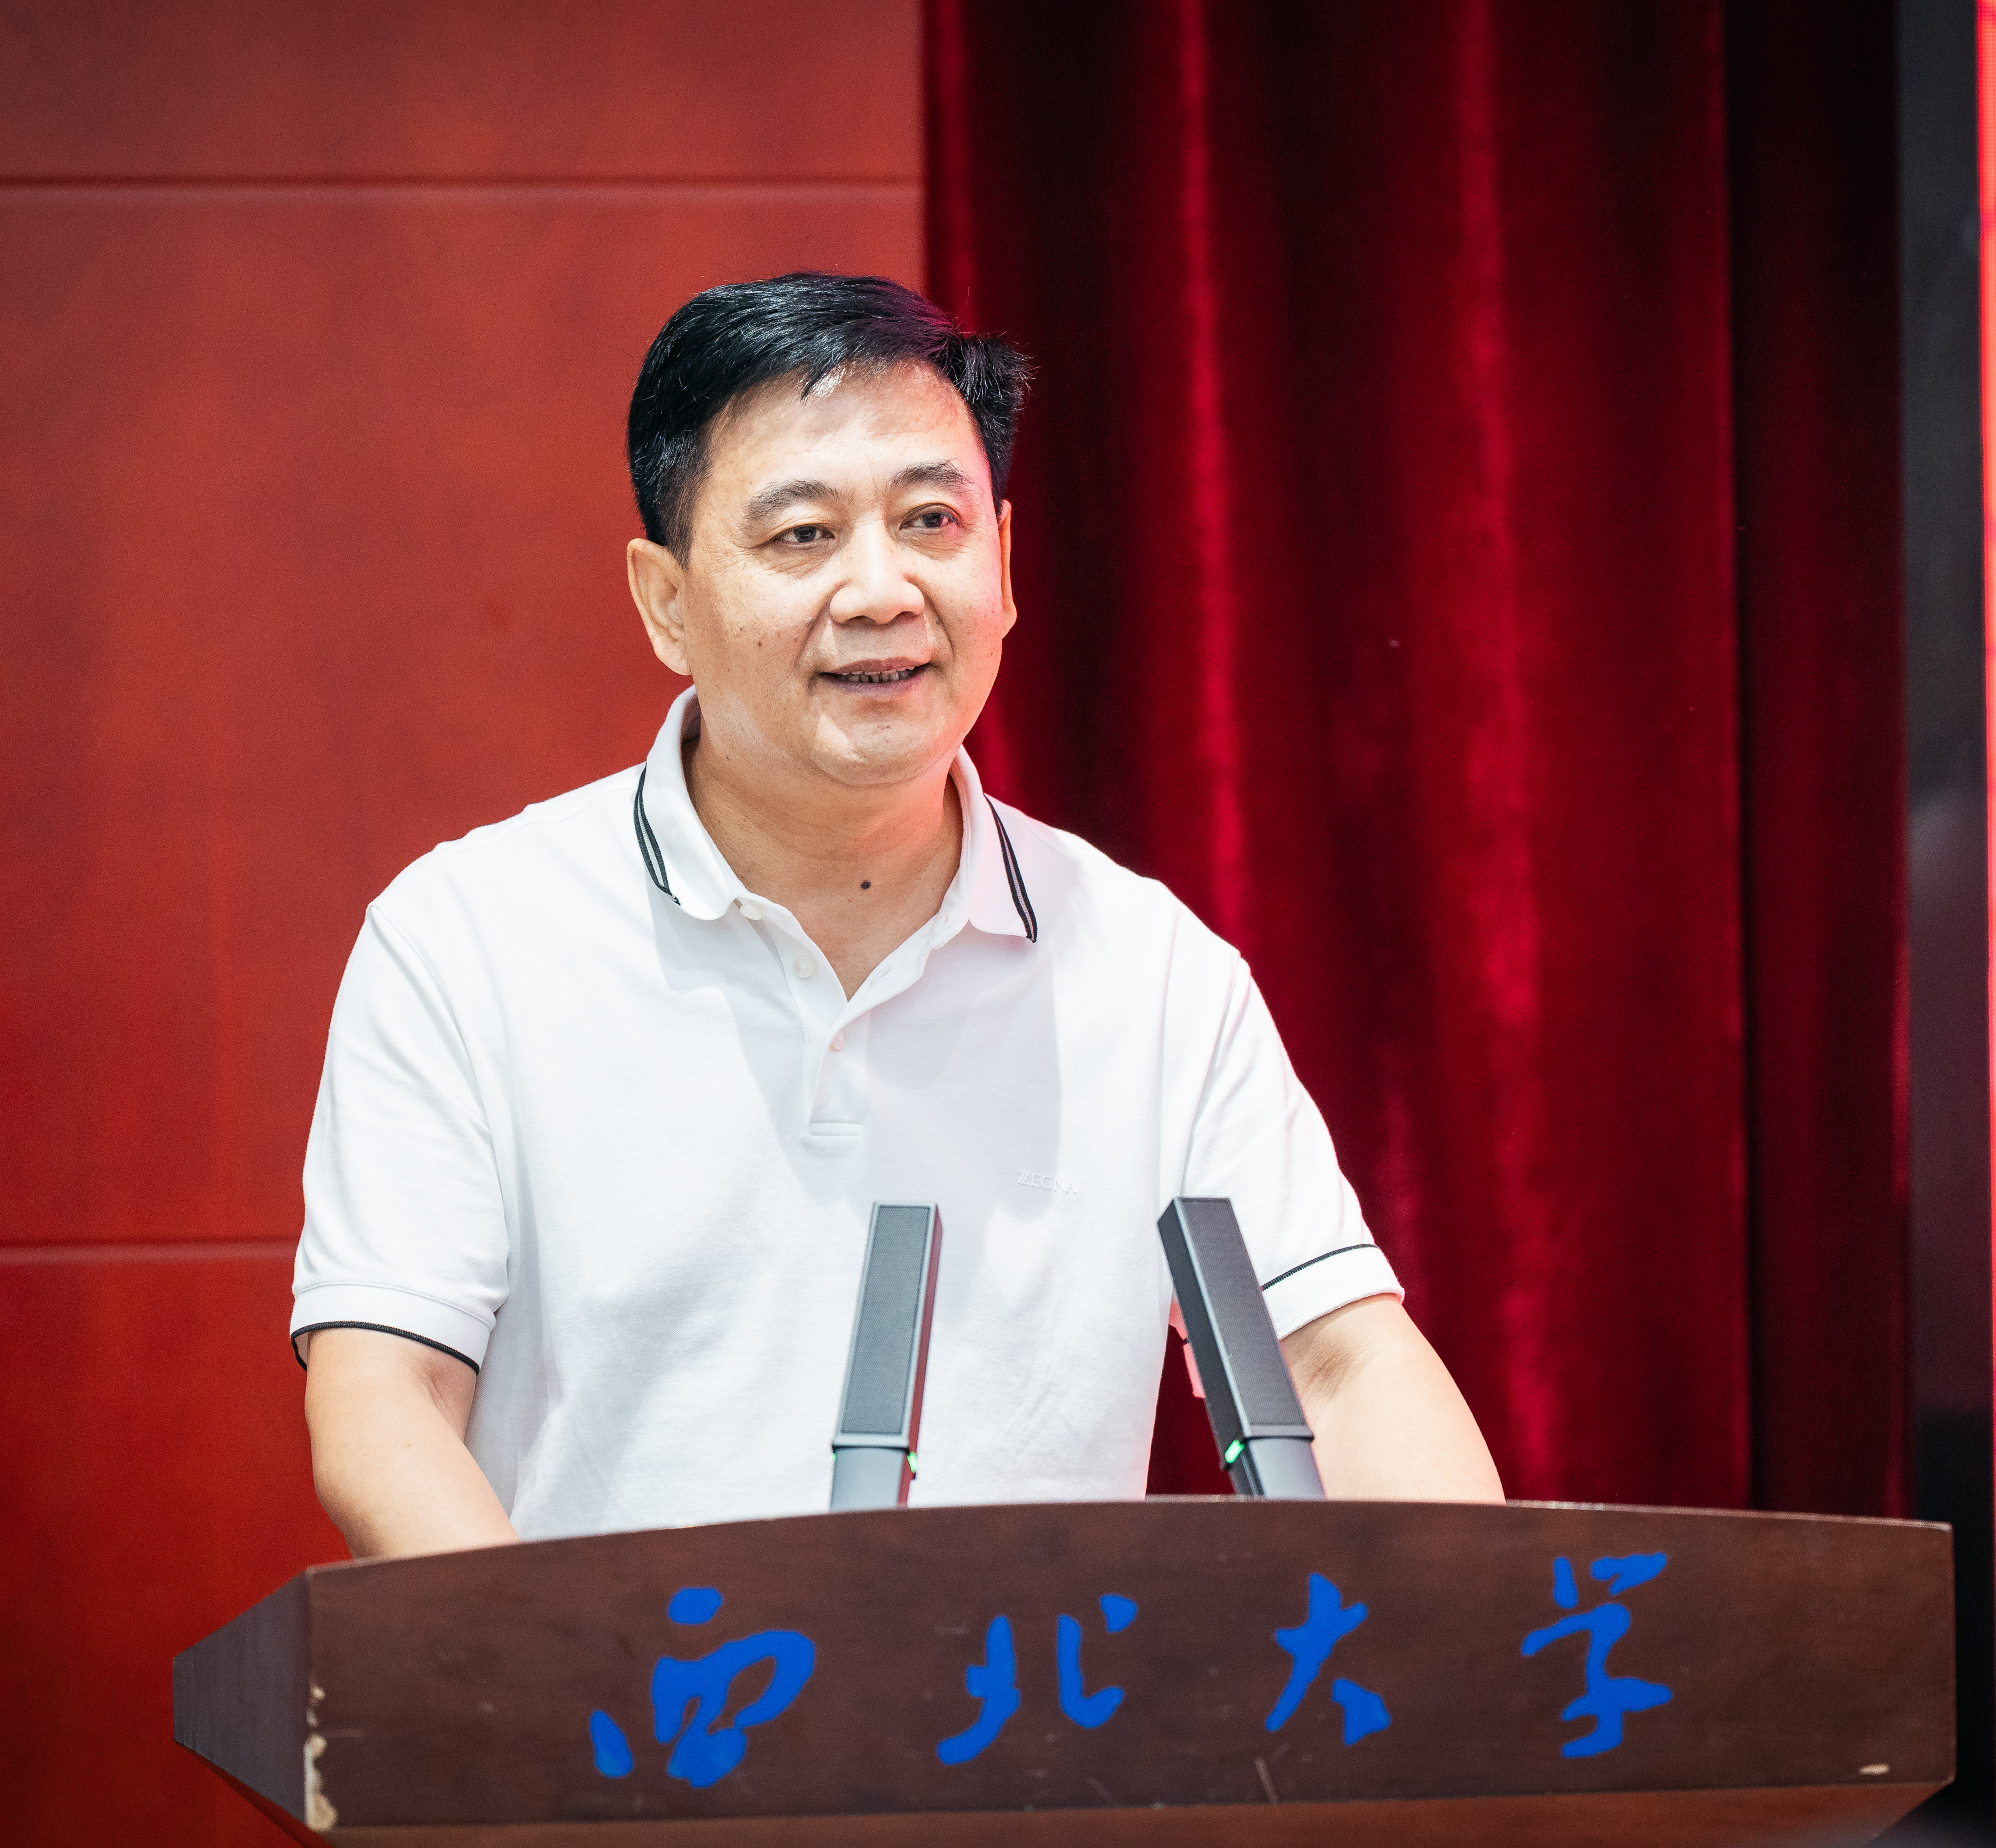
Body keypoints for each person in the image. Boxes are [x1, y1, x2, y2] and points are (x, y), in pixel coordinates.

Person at [294, 274, 1501, 1558]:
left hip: (1030, 1691)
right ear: (667, 603)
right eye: (802, 534)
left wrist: (1473, 1627)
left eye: (932, 520)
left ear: (1006, 566)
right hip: (616, 1683)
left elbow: (1339, 1371)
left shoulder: (1152, 972)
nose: (882, 590)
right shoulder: (467, 941)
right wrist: (546, 1673)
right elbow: (385, 1403)